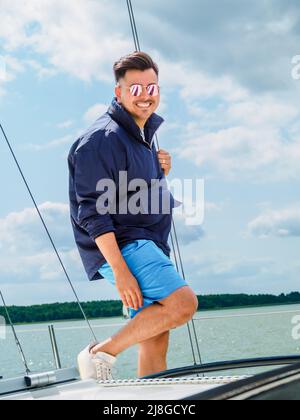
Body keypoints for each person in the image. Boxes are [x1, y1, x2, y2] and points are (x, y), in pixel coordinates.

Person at [68, 51, 198, 381]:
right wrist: (120, 270)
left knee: (155, 336)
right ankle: (101, 353)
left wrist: (159, 167)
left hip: (148, 242)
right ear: (119, 93)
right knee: (182, 304)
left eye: (152, 87)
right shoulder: (102, 139)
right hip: (125, 244)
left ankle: (149, 398)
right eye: (135, 88)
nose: (145, 96)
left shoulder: (142, 137)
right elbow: (92, 211)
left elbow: (132, 192)